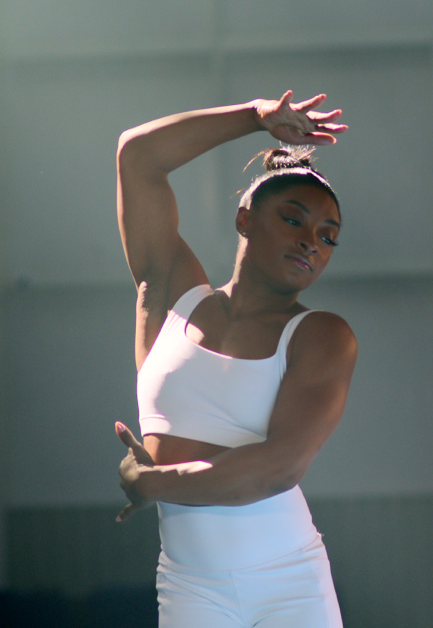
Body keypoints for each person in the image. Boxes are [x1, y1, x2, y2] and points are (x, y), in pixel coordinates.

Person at [112, 91, 356, 628]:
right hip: (189, 585)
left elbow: (278, 469)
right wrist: (254, 117)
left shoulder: (321, 335)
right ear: (245, 219)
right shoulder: (172, 297)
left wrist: (154, 483)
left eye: (327, 236)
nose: (311, 242)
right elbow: (138, 156)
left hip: (289, 585)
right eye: (293, 220)